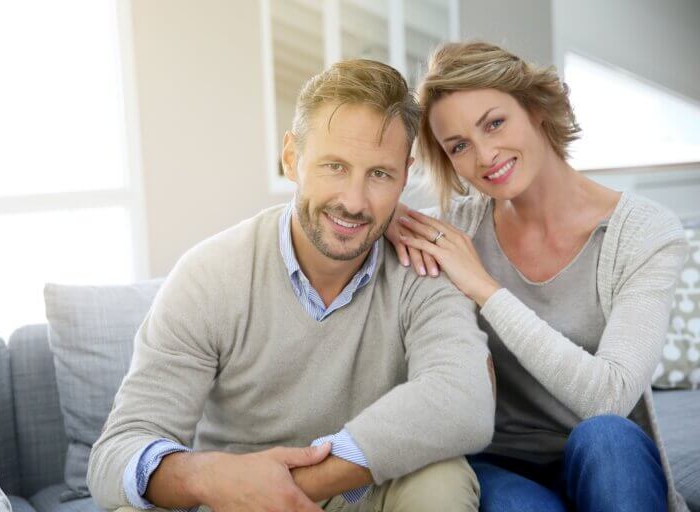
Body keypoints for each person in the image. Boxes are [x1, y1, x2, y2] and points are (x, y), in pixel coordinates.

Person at [87, 59, 495, 512]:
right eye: (334, 166)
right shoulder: (211, 274)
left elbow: (468, 400)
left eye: (379, 174)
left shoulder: (420, 266)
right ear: (290, 158)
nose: (354, 202)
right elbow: (114, 456)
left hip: (361, 496)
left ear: (404, 174)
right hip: (236, 502)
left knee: (442, 477)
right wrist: (212, 478)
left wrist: (299, 484)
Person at [386, 41, 690, 512]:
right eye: (460, 146)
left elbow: (609, 396)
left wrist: (484, 289)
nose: (485, 155)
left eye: (494, 123)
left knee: (608, 437)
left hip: (605, 456)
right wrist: (383, 215)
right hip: (498, 461)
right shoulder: (456, 230)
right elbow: (353, 215)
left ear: (536, 110)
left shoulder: (644, 233)